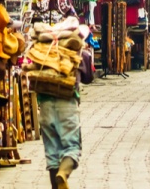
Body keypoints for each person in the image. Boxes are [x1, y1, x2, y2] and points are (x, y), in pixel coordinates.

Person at [38, 26, 92, 189]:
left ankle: (56, 184)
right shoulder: (80, 54)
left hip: (45, 105)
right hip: (67, 103)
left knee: (52, 154)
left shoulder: (45, 52)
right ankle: (63, 174)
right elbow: (88, 78)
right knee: (72, 147)